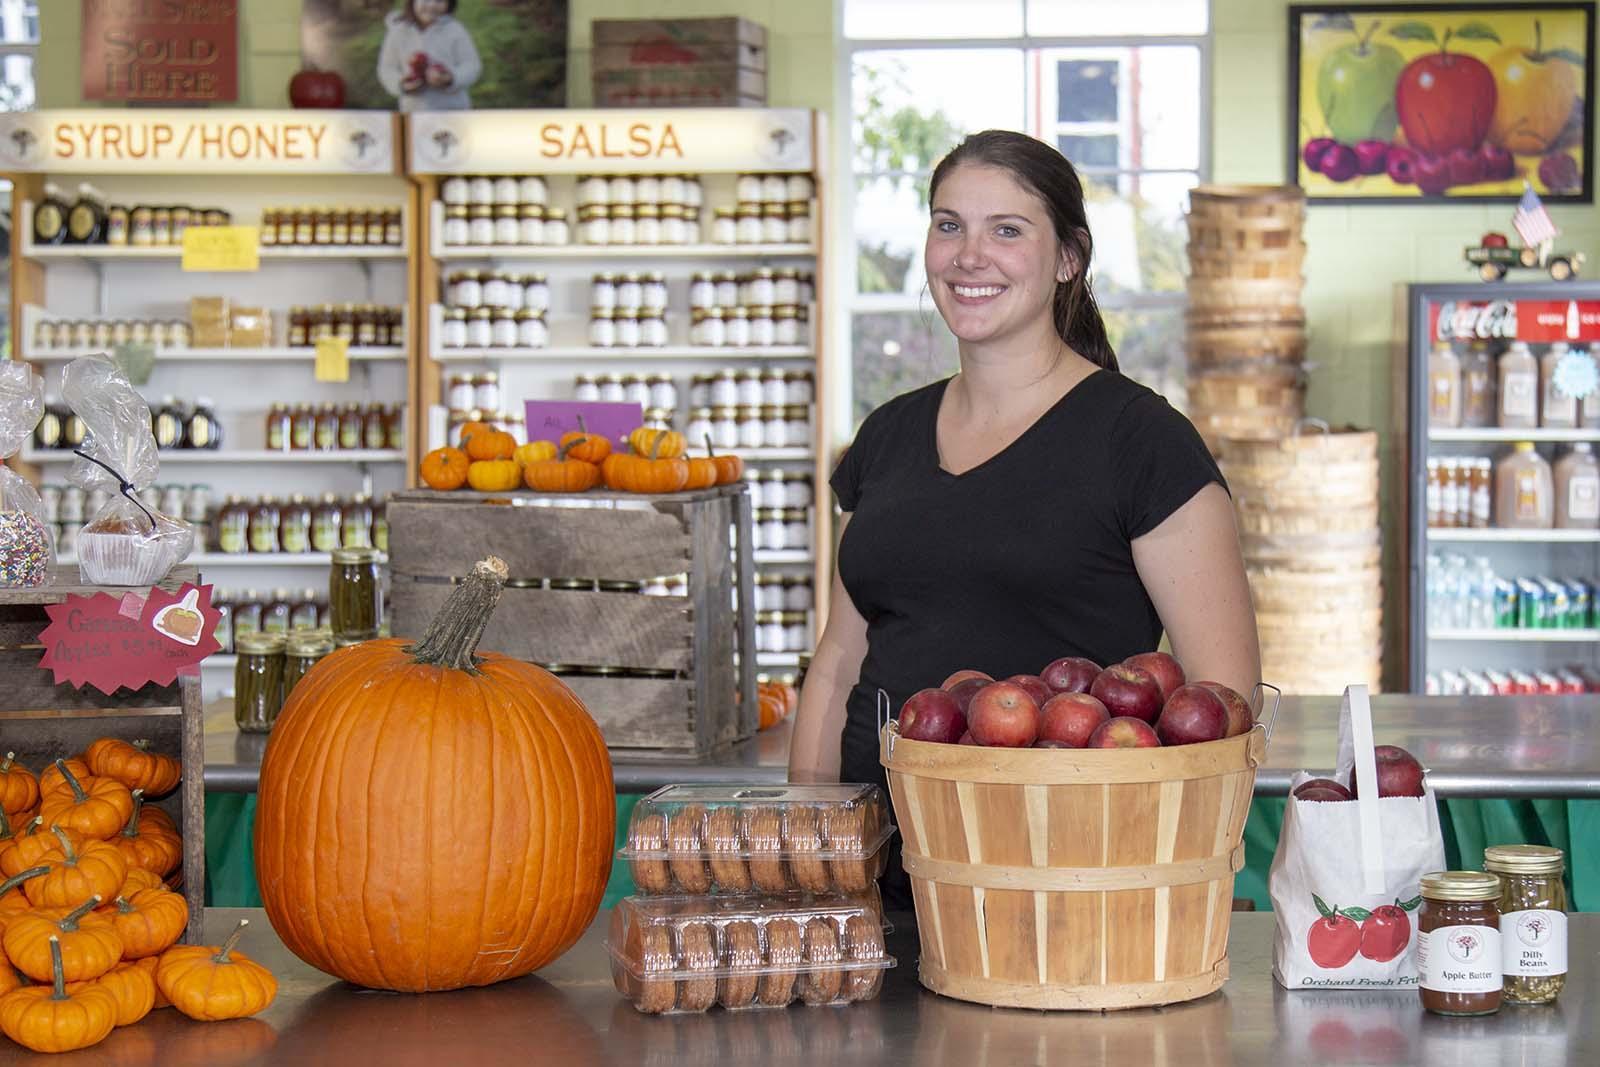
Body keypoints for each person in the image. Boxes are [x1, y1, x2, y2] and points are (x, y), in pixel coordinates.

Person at [788, 130, 1261, 903]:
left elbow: (1221, 704)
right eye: (950, 225)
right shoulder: (888, 435)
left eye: (1007, 230)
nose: (969, 255)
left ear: (1068, 258)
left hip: (1063, 874)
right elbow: (840, 659)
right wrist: (813, 848)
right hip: (877, 869)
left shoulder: (1140, 440)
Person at [376, 0, 482, 112]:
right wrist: (402, 84)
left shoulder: (455, 30)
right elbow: (387, 68)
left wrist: (450, 78)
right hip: (413, 110)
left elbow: (471, 65)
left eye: (439, 1)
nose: (432, 5)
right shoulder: (398, 31)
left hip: (454, 109)